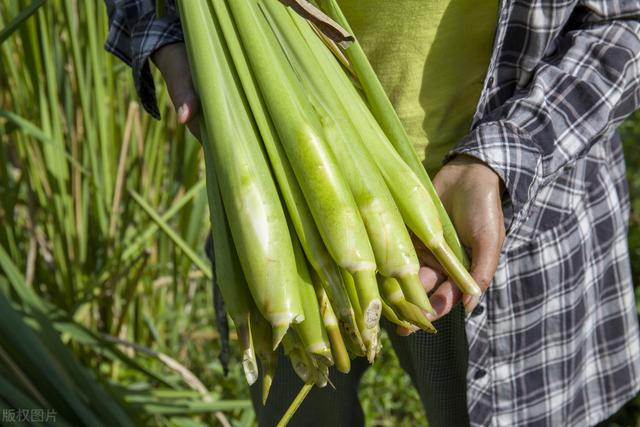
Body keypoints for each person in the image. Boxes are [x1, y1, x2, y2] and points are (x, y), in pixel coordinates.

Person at [105, 1, 640, 426]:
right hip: (279, 213)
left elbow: (625, 22)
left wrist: (500, 159)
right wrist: (167, 37)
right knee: (302, 391)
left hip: (501, 225)